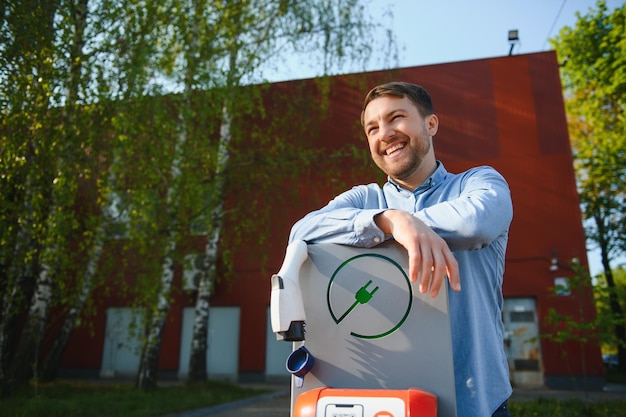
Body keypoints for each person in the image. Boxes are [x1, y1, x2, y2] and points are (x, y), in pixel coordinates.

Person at [288, 81, 513, 417]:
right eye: (373, 128)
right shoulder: (366, 200)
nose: (385, 133)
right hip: (384, 404)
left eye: (396, 118)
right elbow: (302, 231)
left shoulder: (478, 182)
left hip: (476, 404)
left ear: (431, 124)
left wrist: (408, 224)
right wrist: (388, 221)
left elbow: (472, 224)